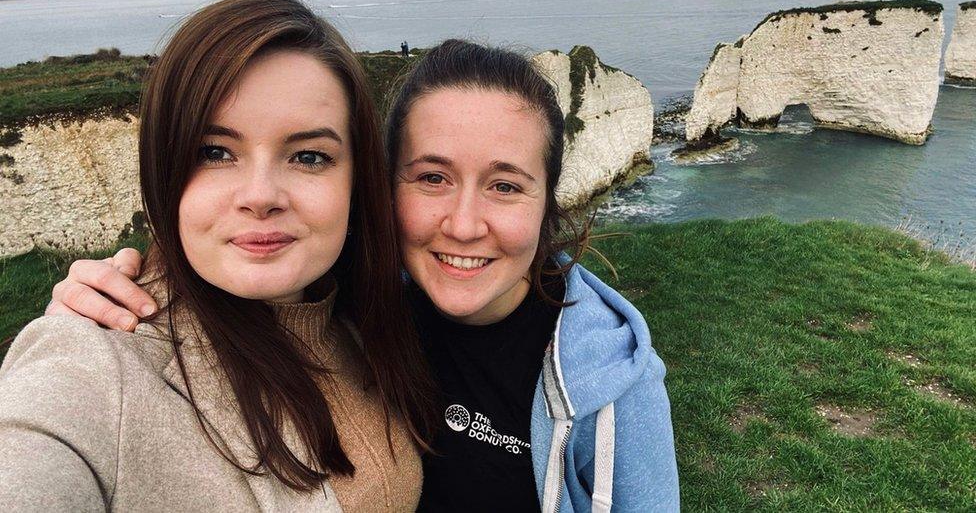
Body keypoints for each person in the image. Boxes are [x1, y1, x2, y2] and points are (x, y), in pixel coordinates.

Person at [46, 40, 680, 511]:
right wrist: (116, 294)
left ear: (548, 204)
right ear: (382, 187)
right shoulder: (344, 300)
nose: (463, 224)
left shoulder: (612, 385)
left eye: (505, 185)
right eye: (431, 177)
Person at [0, 0, 437, 511]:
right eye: (215, 152)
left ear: (355, 181)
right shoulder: (96, 366)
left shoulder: (376, 319)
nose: (260, 196)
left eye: (309, 156)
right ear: (165, 170)